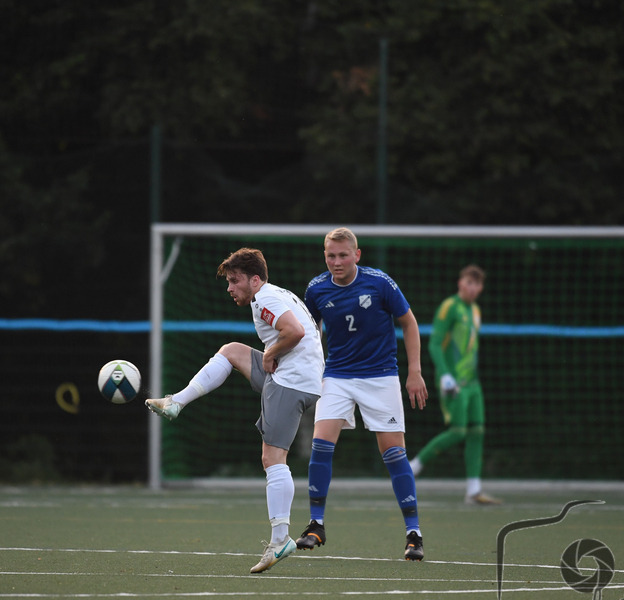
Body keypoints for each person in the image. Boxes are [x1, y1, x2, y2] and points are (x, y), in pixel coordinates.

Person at [146, 247, 324, 574]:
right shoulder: (273, 294)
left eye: (235, 281)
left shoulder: (265, 299)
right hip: (298, 376)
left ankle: (281, 539)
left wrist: (272, 353)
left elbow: (295, 333)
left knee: (272, 459)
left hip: (292, 381)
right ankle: (176, 402)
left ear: (254, 279)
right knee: (231, 351)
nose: (230, 288)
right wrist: (276, 356)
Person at [297, 227, 429, 560]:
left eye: (343, 255)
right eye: (331, 256)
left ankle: (414, 533)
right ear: (324, 255)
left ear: (357, 255)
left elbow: (409, 323)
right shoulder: (316, 289)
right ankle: (316, 525)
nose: (336, 262)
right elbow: (309, 335)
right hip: (337, 377)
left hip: (380, 376)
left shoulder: (380, 283)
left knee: (394, 454)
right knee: (320, 445)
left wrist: (414, 372)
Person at [409, 264, 500, 505]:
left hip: (472, 383)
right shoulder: (450, 307)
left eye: (477, 284)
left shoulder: (476, 311)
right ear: (460, 283)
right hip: (454, 382)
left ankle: (473, 489)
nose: (472, 288)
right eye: (469, 282)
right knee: (458, 431)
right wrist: (445, 375)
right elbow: (435, 344)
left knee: (477, 431)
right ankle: (413, 468)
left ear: (480, 288)